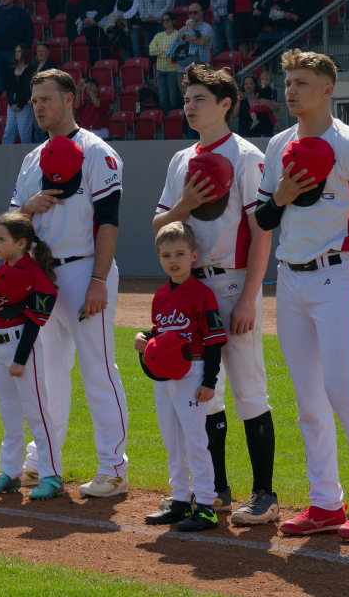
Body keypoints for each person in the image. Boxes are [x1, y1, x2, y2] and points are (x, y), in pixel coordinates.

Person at [252, 51, 349, 539]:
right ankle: (325, 504)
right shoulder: (278, 144)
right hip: (289, 281)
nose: (291, 90)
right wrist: (281, 198)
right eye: (287, 81)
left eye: (302, 82)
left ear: (328, 89)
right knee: (309, 400)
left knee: (343, 391)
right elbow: (263, 219)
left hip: (338, 279)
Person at [152, 64, 279, 525]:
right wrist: (182, 206)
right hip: (190, 286)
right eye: (186, 98)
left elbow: (260, 230)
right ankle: (216, 490)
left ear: (226, 104)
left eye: (200, 98)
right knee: (204, 393)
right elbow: (159, 226)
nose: (189, 105)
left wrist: (250, 296)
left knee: (249, 390)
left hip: (230, 281)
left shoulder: (247, 155)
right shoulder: (181, 160)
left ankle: (264, 494)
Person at [10, 69, 130, 497]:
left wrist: (98, 279)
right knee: (48, 373)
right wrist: (28, 206)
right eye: (34, 101)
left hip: (83, 271)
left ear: (68, 99)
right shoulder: (31, 159)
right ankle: (43, 460)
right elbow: (12, 222)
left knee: (98, 368)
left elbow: (109, 222)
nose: (38, 106)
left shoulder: (97, 152)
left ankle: (113, 467)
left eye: (46, 99)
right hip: (43, 274)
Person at [135, 223, 226, 532]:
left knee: (196, 441)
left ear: (194, 255)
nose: (172, 260)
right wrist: (145, 338)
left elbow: (214, 341)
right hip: (165, 377)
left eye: (179, 254)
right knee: (172, 440)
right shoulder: (160, 295)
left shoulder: (202, 295)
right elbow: (162, 333)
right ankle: (179, 499)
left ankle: (205, 506)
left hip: (193, 372)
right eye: (165, 255)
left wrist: (209, 382)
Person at [0, 210, 62, 498]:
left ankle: (51, 476)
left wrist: (20, 359)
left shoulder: (34, 274)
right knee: (9, 414)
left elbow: (35, 320)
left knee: (37, 413)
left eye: (1, 239)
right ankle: (10, 473)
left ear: (22, 243)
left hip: (21, 349)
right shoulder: (1, 271)